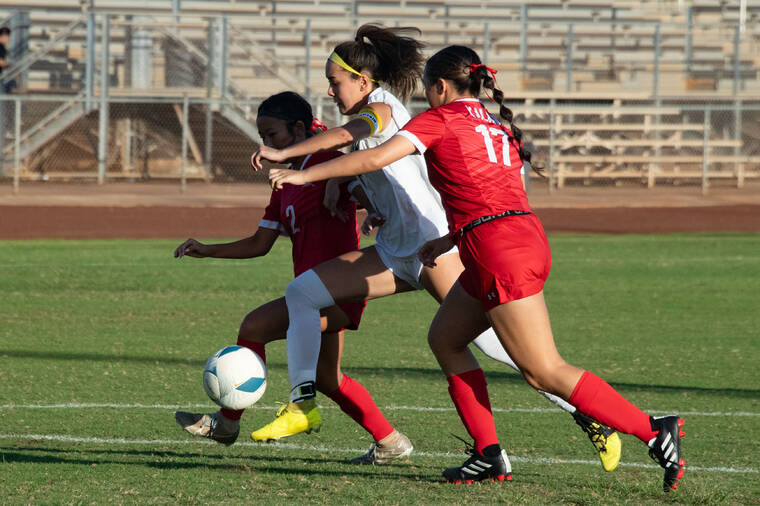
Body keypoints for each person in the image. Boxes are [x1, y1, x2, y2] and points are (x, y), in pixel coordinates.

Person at [267, 45, 686, 492]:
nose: (425, 99)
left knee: (543, 369)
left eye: (429, 90)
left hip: (499, 251)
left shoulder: (439, 119)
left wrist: (302, 174)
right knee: (446, 339)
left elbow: (374, 156)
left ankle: (652, 428)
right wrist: (449, 238)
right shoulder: (493, 122)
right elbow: (494, 193)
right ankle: (488, 454)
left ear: (441, 87)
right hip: (505, 238)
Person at [173, 91, 414, 464]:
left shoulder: (328, 162)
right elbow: (260, 243)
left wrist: (373, 208)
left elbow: (364, 181)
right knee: (329, 379)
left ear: (299, 128)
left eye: (272, 136)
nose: (267, 145)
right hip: (312, 292)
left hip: (340, 288)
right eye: (263, 137)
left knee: (254, 326)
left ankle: (227, 422)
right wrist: (207, 250)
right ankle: (390, 441)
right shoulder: (286, 180)